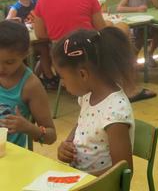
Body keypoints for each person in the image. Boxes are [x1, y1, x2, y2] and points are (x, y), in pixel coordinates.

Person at [32, 0, 155, 102]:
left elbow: (40, 33)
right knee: (123, 28)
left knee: (113, 27)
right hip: (88, 57)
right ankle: (127, 87)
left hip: (61, 56)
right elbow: (101, 29)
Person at [53, 28, 135, 176]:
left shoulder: (115, 112)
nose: (62, 83)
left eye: (63, 77)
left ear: (82, 74)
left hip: (101, 184)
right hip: (81, 178)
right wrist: (68, 143)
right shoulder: (88, 95)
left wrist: (82, 180)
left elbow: (123, 171)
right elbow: (82, 124)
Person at [0, 20, 56, 147]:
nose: (1, 69)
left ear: (26, 53)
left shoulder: (30, 86)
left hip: (14, 155)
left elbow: (51, 136)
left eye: (9, 62)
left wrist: (28, 128)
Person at [116, 0, 158, 64]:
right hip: (134, 26)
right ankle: (133, 60)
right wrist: (137, 9)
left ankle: (149, 54)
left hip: (146, 24)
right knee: (140, 34)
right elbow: (119, 8)